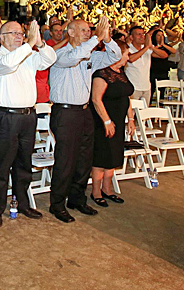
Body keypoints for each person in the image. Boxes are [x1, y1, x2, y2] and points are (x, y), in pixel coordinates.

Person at [48, 17, 121, 223]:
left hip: (84, 111)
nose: (88, 33)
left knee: (84, 159)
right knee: (66, 160)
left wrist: (106, 39)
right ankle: (57, 204)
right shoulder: (59, 54)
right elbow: (75, 57)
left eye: (90, 30)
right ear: (70, 32)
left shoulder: (91, 55)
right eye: (83, 30)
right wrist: (96, 38)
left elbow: (115, 56)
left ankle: (77, 198)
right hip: (65, 113)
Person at [0, 20, 56, 227]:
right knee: (2, 164)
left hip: (27, 116)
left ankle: (22, 203)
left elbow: (50, 59)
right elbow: (8, 65)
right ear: (2, 36)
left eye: (21, 33)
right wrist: (29, 44)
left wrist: (40, 43)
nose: (19, 36)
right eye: (13, 33)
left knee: (24, 163)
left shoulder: (29, 54)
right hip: (4, 116)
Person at [89, 39, 134, 207]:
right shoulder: (102, 73)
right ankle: (96, 192)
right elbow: (96, 99)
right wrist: (107, 121)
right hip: (103, 121)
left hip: (118, 120)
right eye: (127, 54)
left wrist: (130, 118)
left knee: (113, 156)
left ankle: (108, 190)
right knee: (101, 156)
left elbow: (126, 97)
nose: (128, 58)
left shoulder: (120, 72)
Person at [126, 26, 167, 104]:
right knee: (133, 112)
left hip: (146, 87)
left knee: (145, 113)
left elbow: (164, 55)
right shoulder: (128, 47)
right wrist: (146, 47)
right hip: (133, 87)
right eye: (139, 34)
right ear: (131, 37)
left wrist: (151, 47)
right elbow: (131, 59)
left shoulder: (146, 49)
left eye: (143, 34)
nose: (142, 37)